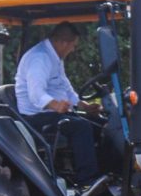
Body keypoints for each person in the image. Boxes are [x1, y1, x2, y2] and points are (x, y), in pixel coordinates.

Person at [14, 22, 103, 186]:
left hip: (52, 113)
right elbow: (36, 94)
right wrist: (56, 105)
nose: (73, 50)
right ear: (63, 43)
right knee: (81, 127)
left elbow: (65, 87)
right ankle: (88, 181)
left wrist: (84, 106)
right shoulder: (40, 58)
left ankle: (106, 176)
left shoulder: (55, 58)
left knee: (101, 125)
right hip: (35, 116)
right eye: (73, 45)